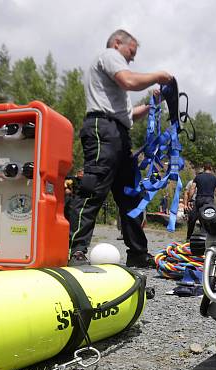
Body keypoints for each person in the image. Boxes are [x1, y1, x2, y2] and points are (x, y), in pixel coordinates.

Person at [67, 29, 173, 267]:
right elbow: (130, 81)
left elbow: (128, 115)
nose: (133, 58)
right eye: (131, 51)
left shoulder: (114, 84)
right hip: (102, 129)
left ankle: (137, 252)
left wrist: (152, 104)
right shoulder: (110, 56)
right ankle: (77, 251)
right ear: (117, 43)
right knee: (93, 188)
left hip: (118, 133)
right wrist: (158, 75)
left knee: (130, 196)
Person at [185, 162, 216, 239]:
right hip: (209, 201)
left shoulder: (198, 177)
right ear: (211, 168)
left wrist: (189, 200)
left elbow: (192, 189)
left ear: (204, 168)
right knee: (209, 219)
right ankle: (206, 238)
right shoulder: (215, 178)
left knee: (192, 219)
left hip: (198, 200)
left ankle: (188, 238)